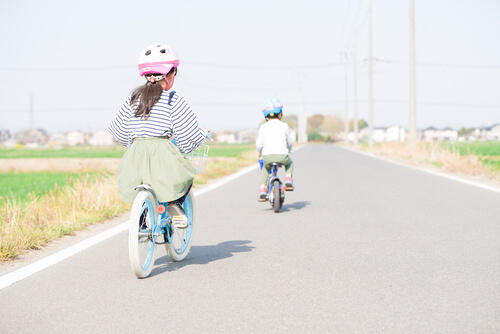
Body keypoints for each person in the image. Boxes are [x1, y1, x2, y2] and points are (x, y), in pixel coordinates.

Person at [108, 43, 207, 227]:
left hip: (135, 156)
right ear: (170, 74)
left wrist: (134, 144)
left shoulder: (134, 97)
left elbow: (117, 129)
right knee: (184, 178)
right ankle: (173, 205)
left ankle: (144, 219)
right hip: (163, 153)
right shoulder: (172, 99)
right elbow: (188, 132)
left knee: (143, 184)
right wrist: (200, 136)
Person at [256, 98, 294, 201]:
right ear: (280, 114)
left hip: (267, 157)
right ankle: (288, 179)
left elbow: (259, 144)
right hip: (282, 155)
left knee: (266, 169)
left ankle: (263, 189)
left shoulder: (263, 127)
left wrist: (260, 153)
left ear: (266, 115)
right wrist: (289, 150)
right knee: (290, 164)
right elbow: (290, 142)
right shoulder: (285, 126)